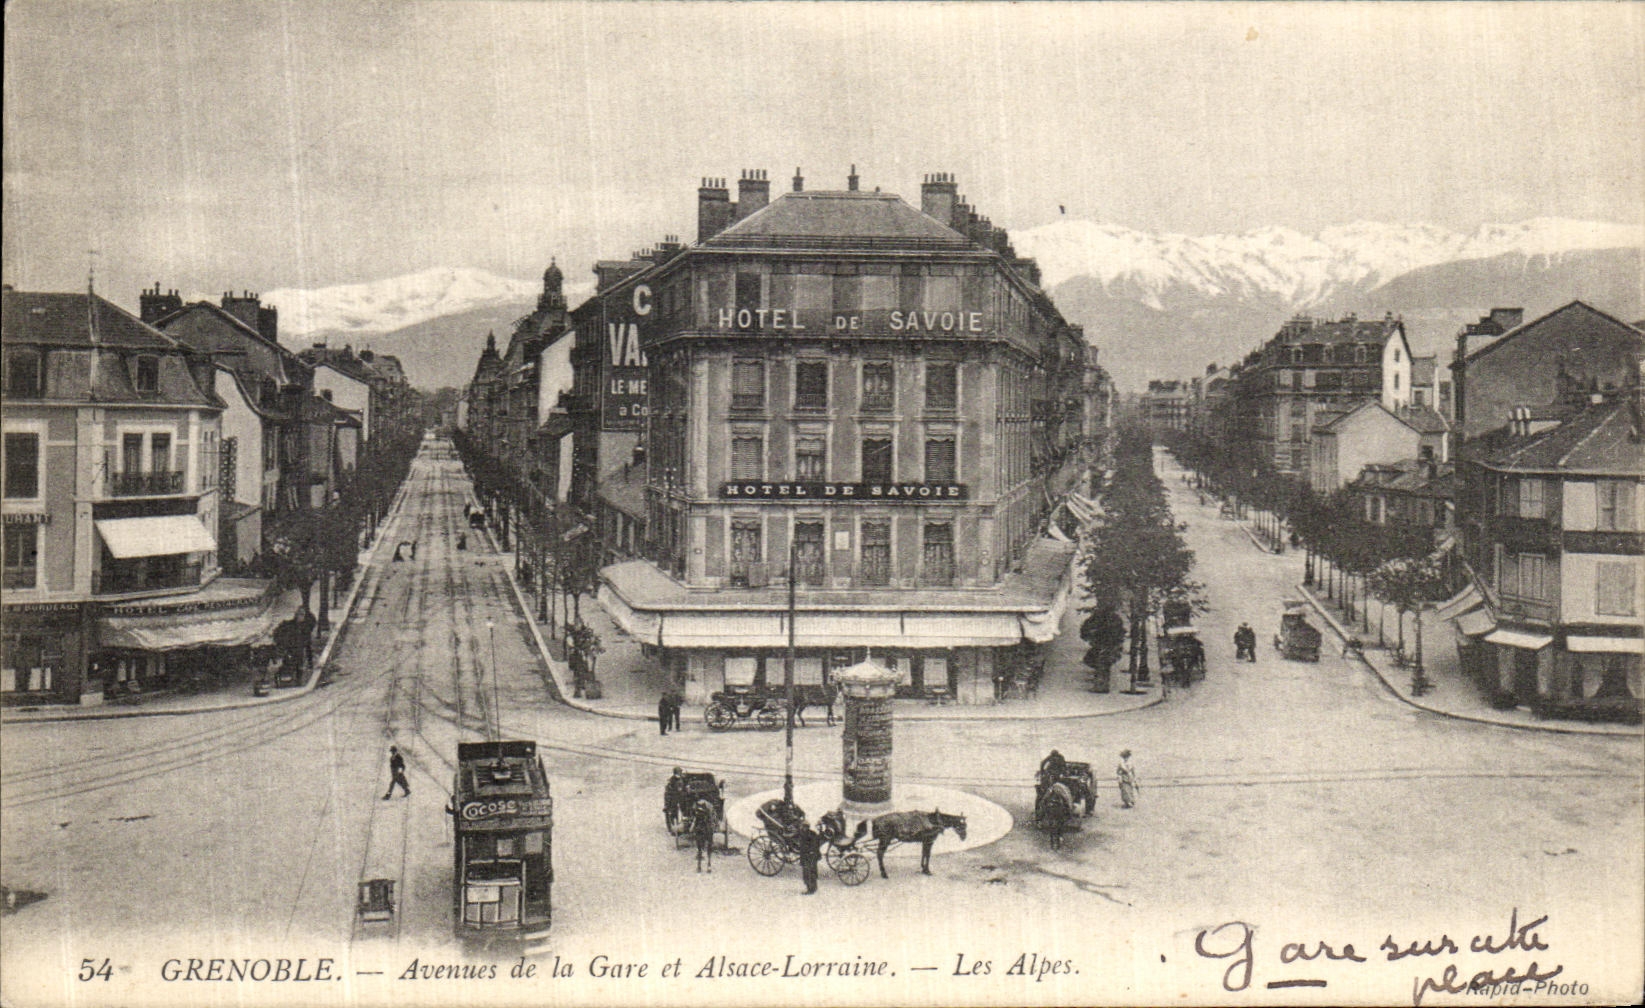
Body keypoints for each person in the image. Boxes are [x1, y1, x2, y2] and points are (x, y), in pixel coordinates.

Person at [796, 821, 822, 894]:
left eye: (805, 827)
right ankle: (812, 887)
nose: (804, 828)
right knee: (809, 872)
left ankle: (811, 889)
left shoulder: (809, 835)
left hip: (810, 856)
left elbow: (814, 845)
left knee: (809, 873)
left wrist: (811, 852)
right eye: (803, 826)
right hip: (807, 856)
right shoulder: (806, 834)